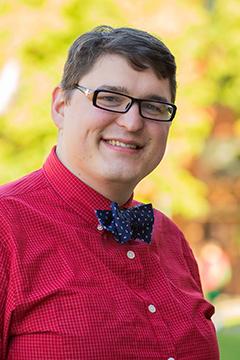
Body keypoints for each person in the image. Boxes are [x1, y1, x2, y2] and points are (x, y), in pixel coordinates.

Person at [0, 25, 219, 359]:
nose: (132, 123)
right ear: (61, 106)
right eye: (111, 99)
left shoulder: (172, 239)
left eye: (154, 106)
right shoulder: (6, 229)